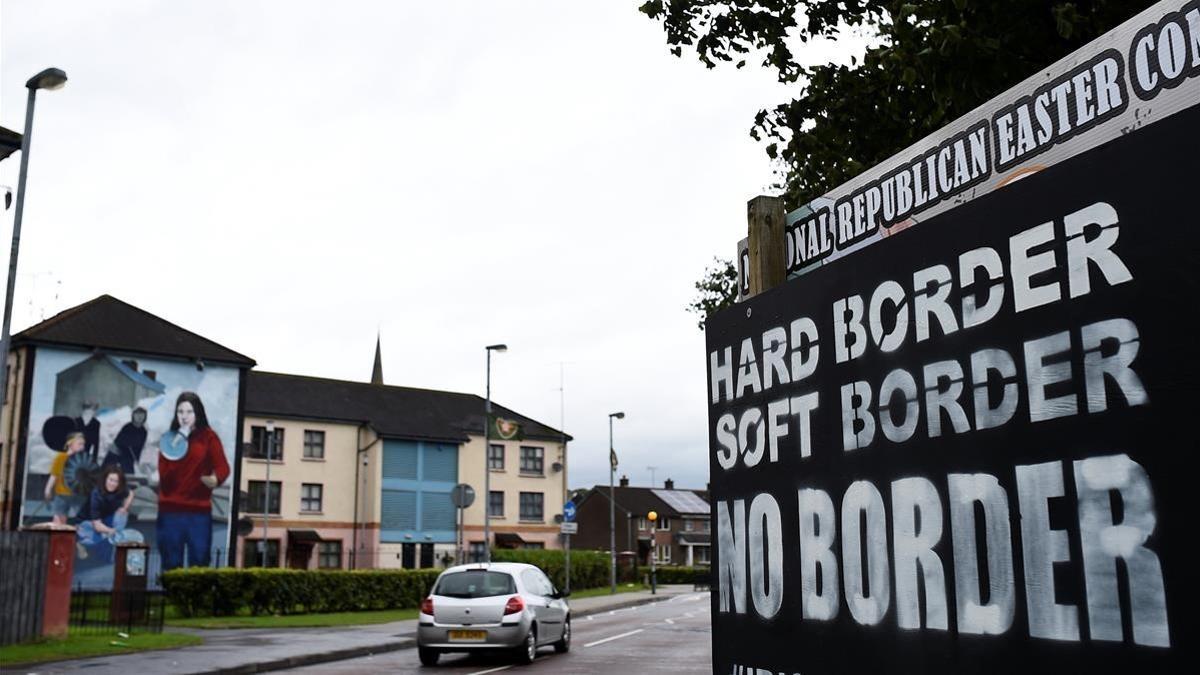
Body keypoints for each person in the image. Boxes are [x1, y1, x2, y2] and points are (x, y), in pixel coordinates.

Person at [156, 392, 229, 570]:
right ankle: (171, 597)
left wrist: (215, 479)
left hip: (198, 512)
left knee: (200, 561)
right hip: (170, 512)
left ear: (198, 413)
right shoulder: (168, 440)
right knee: (171, 563)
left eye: (189, 411)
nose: (184, 416)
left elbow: (223, 467)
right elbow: (165, 475)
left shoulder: (209, 437)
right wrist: (179, 439)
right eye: (180, 411)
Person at [76, 464, 139, 561]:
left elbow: (131, 493)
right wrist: (111, 531)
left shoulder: (120, 489)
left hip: (107, 517)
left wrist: (124, 508)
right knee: (97, 536)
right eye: (111, 480)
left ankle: (112, 545)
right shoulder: (96, 494)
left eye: (116, 481)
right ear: (105, 479)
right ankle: (81, 542)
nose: (113, 484)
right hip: (89, 522)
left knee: (121, 515)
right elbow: (97, 524)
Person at [44, 432, 86, 525]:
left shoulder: (83, 458)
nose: (82, 447)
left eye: (83, 444)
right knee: (59, 521)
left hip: (78, 495)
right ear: (70, 444)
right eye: (79, 444)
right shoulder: (61, 457)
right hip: (62, 494)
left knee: (81, 522)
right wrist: (47, 490)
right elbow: (54, 475)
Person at [102, 407, 148, 475]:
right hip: (118, 451)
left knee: (129, 472)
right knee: (108, 468)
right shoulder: (127, 427)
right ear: (133, 416)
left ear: (145, 417)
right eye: (137, 415)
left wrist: (137, 460)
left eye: (142, 415)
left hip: (129, 456)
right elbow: (119, 442)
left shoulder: (144, 431)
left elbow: (140, 448)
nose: (139, 417)